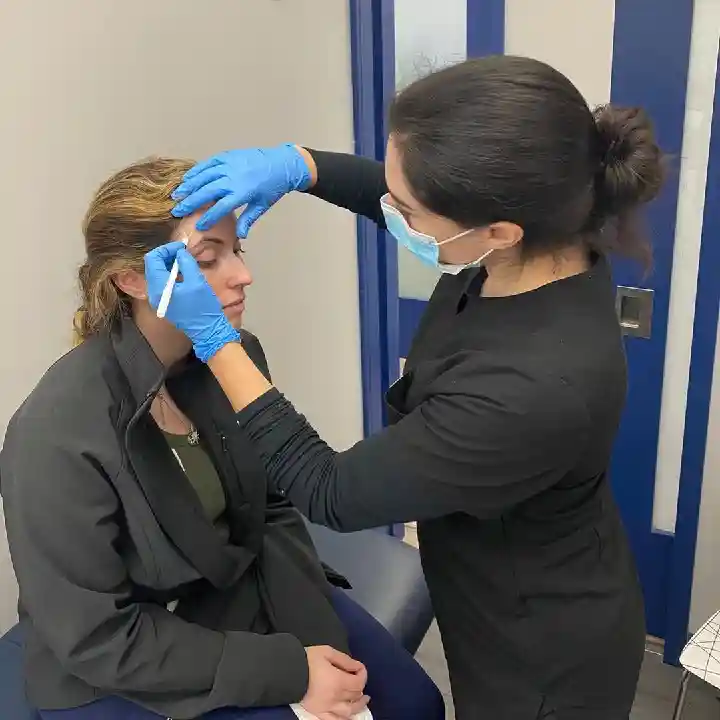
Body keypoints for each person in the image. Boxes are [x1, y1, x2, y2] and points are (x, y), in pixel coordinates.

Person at [155, 55, 667, 720]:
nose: (390, 211)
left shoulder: (536, 385)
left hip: (541, 653)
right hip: (496, 572)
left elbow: (330, 491)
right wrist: (301, 166)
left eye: (409, 211)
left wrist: (217, 344)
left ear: (498, 232)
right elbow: (408, 200)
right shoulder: (532, 241)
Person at [0, 158, 444, 720]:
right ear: (133, 279)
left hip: (236, 596)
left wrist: (317, 642)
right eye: (208, 258)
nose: (242, 275)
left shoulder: (232, 358)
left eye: (238, 251)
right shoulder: (56, 435)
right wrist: (290, 672)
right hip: (131, 652)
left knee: (413, 705)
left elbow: (272, 509)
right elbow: (98, 638)